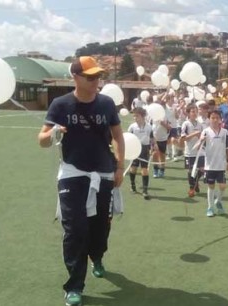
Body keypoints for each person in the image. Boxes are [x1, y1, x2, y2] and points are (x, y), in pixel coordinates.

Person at [37, 56, 124, 306]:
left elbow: (117, 134)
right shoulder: (60, 104)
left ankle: (97, 256)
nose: (97, 80)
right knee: (75, 230)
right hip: (73, 173)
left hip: (104, 173)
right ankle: (74, 285)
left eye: (98, 76)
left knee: (99, 229)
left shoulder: (106, 104)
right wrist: (52, 133)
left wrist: (119, 166)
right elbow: (41, 140)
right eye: (91, 77)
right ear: (75, 77)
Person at [198, 110, 228, 217]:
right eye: (212, 118)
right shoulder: (205, 132)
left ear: (220, 119)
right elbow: (200, 149)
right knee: (211, 186)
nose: (215, 120)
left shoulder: (224, 132)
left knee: (222, 186)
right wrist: (201, 140)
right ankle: (210, 207)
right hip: (209, 165)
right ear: (209, 119)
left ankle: (218, 201)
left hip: (221, 165)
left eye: (217, 118)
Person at [127, 107, 153, 200]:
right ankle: (132, 185)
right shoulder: (132, 127)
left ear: (142, 116)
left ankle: (145, 191)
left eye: (136, 116)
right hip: (134, 149)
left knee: (144, 170)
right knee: (133, 168)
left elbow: (152, 138)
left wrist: (153, 147)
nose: (135, 118)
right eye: (134, 116)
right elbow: (128, 138)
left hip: (144, 150)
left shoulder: (149, 127)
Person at [180, 104, 204, 197]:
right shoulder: (186, 124)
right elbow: (183, 138)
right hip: (189, 152)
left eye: (196, 111)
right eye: (193, 111)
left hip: (199, 152)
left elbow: (202, 136)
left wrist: (201, 138)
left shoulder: (200, 124)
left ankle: (196, 182)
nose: (195, 113)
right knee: (190, 171)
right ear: (188, 113)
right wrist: (194, 134)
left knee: (202, 169)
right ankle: (191, 187)